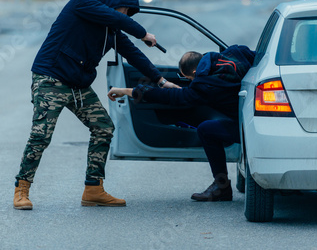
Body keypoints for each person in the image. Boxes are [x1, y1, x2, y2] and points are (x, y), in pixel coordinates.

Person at [13, 0, 178, 210]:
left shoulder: (111, 32)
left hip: (78, 86)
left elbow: (133, 55)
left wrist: (161, 80)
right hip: (50, 78)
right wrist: (143, 33)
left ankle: (93, 188)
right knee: (41, 135)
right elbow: (118, 19)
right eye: (126, 9)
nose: (126, 14)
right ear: (116, 2)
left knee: (103, 127)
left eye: (130, 13)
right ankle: (22, 189)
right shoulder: (83, 2)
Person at [108, 45, 255, 201]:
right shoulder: (234, 53)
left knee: (206, 130)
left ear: (194, 72)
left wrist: (126, 91)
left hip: (248, 128)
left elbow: (169, 97)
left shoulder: (205, 86)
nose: (190, 82)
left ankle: (221, 187)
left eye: (189, 79)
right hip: (264, 119)